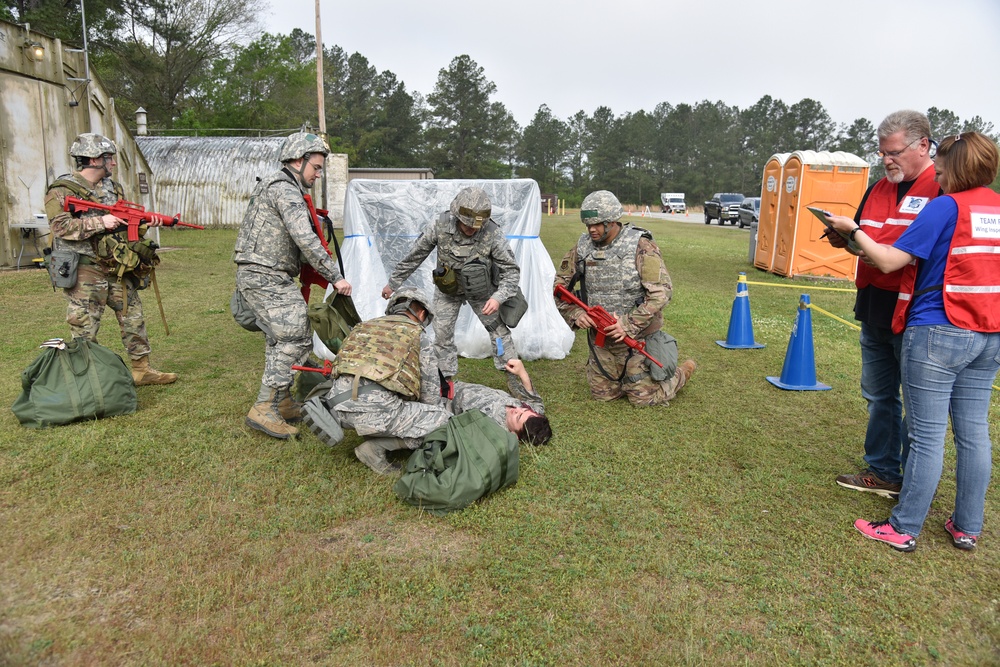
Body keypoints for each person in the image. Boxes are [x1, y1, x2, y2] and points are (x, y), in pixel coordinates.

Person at [827, 131, 1000, 552]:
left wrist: (853, 230)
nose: (936, 171)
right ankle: (967, 527)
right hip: (989, 335)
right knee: (974, 434)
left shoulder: (945, 206)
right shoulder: (995, 207)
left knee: (925, 437)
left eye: (941, 164)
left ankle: (903, 527)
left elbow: (888, 260)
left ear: (955, 166)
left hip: (938, 332)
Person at [827, 111, 940, 499]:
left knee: (919, 404)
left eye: (893, 152)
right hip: (873, 301)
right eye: (882, 153)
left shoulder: (940, 188)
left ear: (923, 146)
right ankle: (883, 471)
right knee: (878, 394)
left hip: (914, 310)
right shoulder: (877, 189)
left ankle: (915, 482)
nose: (887, 160)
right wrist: (841, 239)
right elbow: (863, 237)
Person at [234, 131, 352, 440]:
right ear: (298, 162)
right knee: (297, 334)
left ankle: (282, 401)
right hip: (264, 275)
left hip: (269, 274)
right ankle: (264, 407)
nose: (318, 174)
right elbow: (305, 238)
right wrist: (335, 277)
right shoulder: (284, 190)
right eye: (316, 167)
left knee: (285, 336)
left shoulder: (281, 187)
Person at [44, 133, 178, 387]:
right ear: (94, 160)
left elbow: (120, 224)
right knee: (84, 324)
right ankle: (85, 379)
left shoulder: (112, 188)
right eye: (110, 158)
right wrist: (99, 221)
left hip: (115, 265)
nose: (114, 163)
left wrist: (143, 222)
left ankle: (142, 369)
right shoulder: (61, 190)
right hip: (83, 267)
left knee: (133, 315)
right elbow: (60, 228)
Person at [554, 190, 695, 405]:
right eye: (588, 224)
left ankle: (681, 373)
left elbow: (662, 292)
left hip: (638, 338)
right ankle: (623, 376)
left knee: (643, 399)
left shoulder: (640, 245)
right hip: (601, 342)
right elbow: (558, 288)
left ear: (612, 221)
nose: (592, 229)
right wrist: (575, 313)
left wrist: (627, 325)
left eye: (598, 224)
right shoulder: (583, 248)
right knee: (603, 396)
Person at [302, 288, 452, 474]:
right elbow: (430, 395)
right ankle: (375, 449)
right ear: (422, 313)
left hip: (335, 409)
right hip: (374, 413)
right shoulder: (417, 336)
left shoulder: (363, 327)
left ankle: (376, 425)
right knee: (442, 419)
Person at [381, 187, 521, 384]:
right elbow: (415, 255)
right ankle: (444, 384)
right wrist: (393, 283)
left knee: (499, 334)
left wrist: (497, 298)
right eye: (467, 225)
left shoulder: (492, 233)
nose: (471, 230)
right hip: (448, 291)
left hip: (482, 293)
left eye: (476, 227)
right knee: (442, 336)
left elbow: (511, 271)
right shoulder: (439, 226)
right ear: (456, 215)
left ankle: (516, 379)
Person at [449, 359, 553, 446]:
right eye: (524, 409)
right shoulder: (530, 415)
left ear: (514, 435)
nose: (517, 409)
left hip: (443, 398)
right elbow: (536, 403)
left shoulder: (491, 428)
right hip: (454, 383)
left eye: (518, 417)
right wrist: (522, 372)